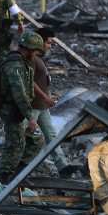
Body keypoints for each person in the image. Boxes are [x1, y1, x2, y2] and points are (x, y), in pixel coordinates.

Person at [0, 31, 45, 184]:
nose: (37, 54)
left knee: (36, 139)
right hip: (12, 110)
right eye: (36, 50)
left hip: (18, 110)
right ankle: (4, 178)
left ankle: (20, 173)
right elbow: (19, 93)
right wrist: (30, 116)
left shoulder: (21, 62)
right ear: (29, 48)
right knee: (14, 144)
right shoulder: (14, 65)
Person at [31, 27, 77, 177]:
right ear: (39, 42)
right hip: (33, 106)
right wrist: (45, 96)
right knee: (26, 137)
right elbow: (29, 81)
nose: (50, 46)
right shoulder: (32, 59)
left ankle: (63, 167)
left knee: (51, 136)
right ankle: (16, 169)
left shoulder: (39, 58)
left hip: (42, 106)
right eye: (48, 43)